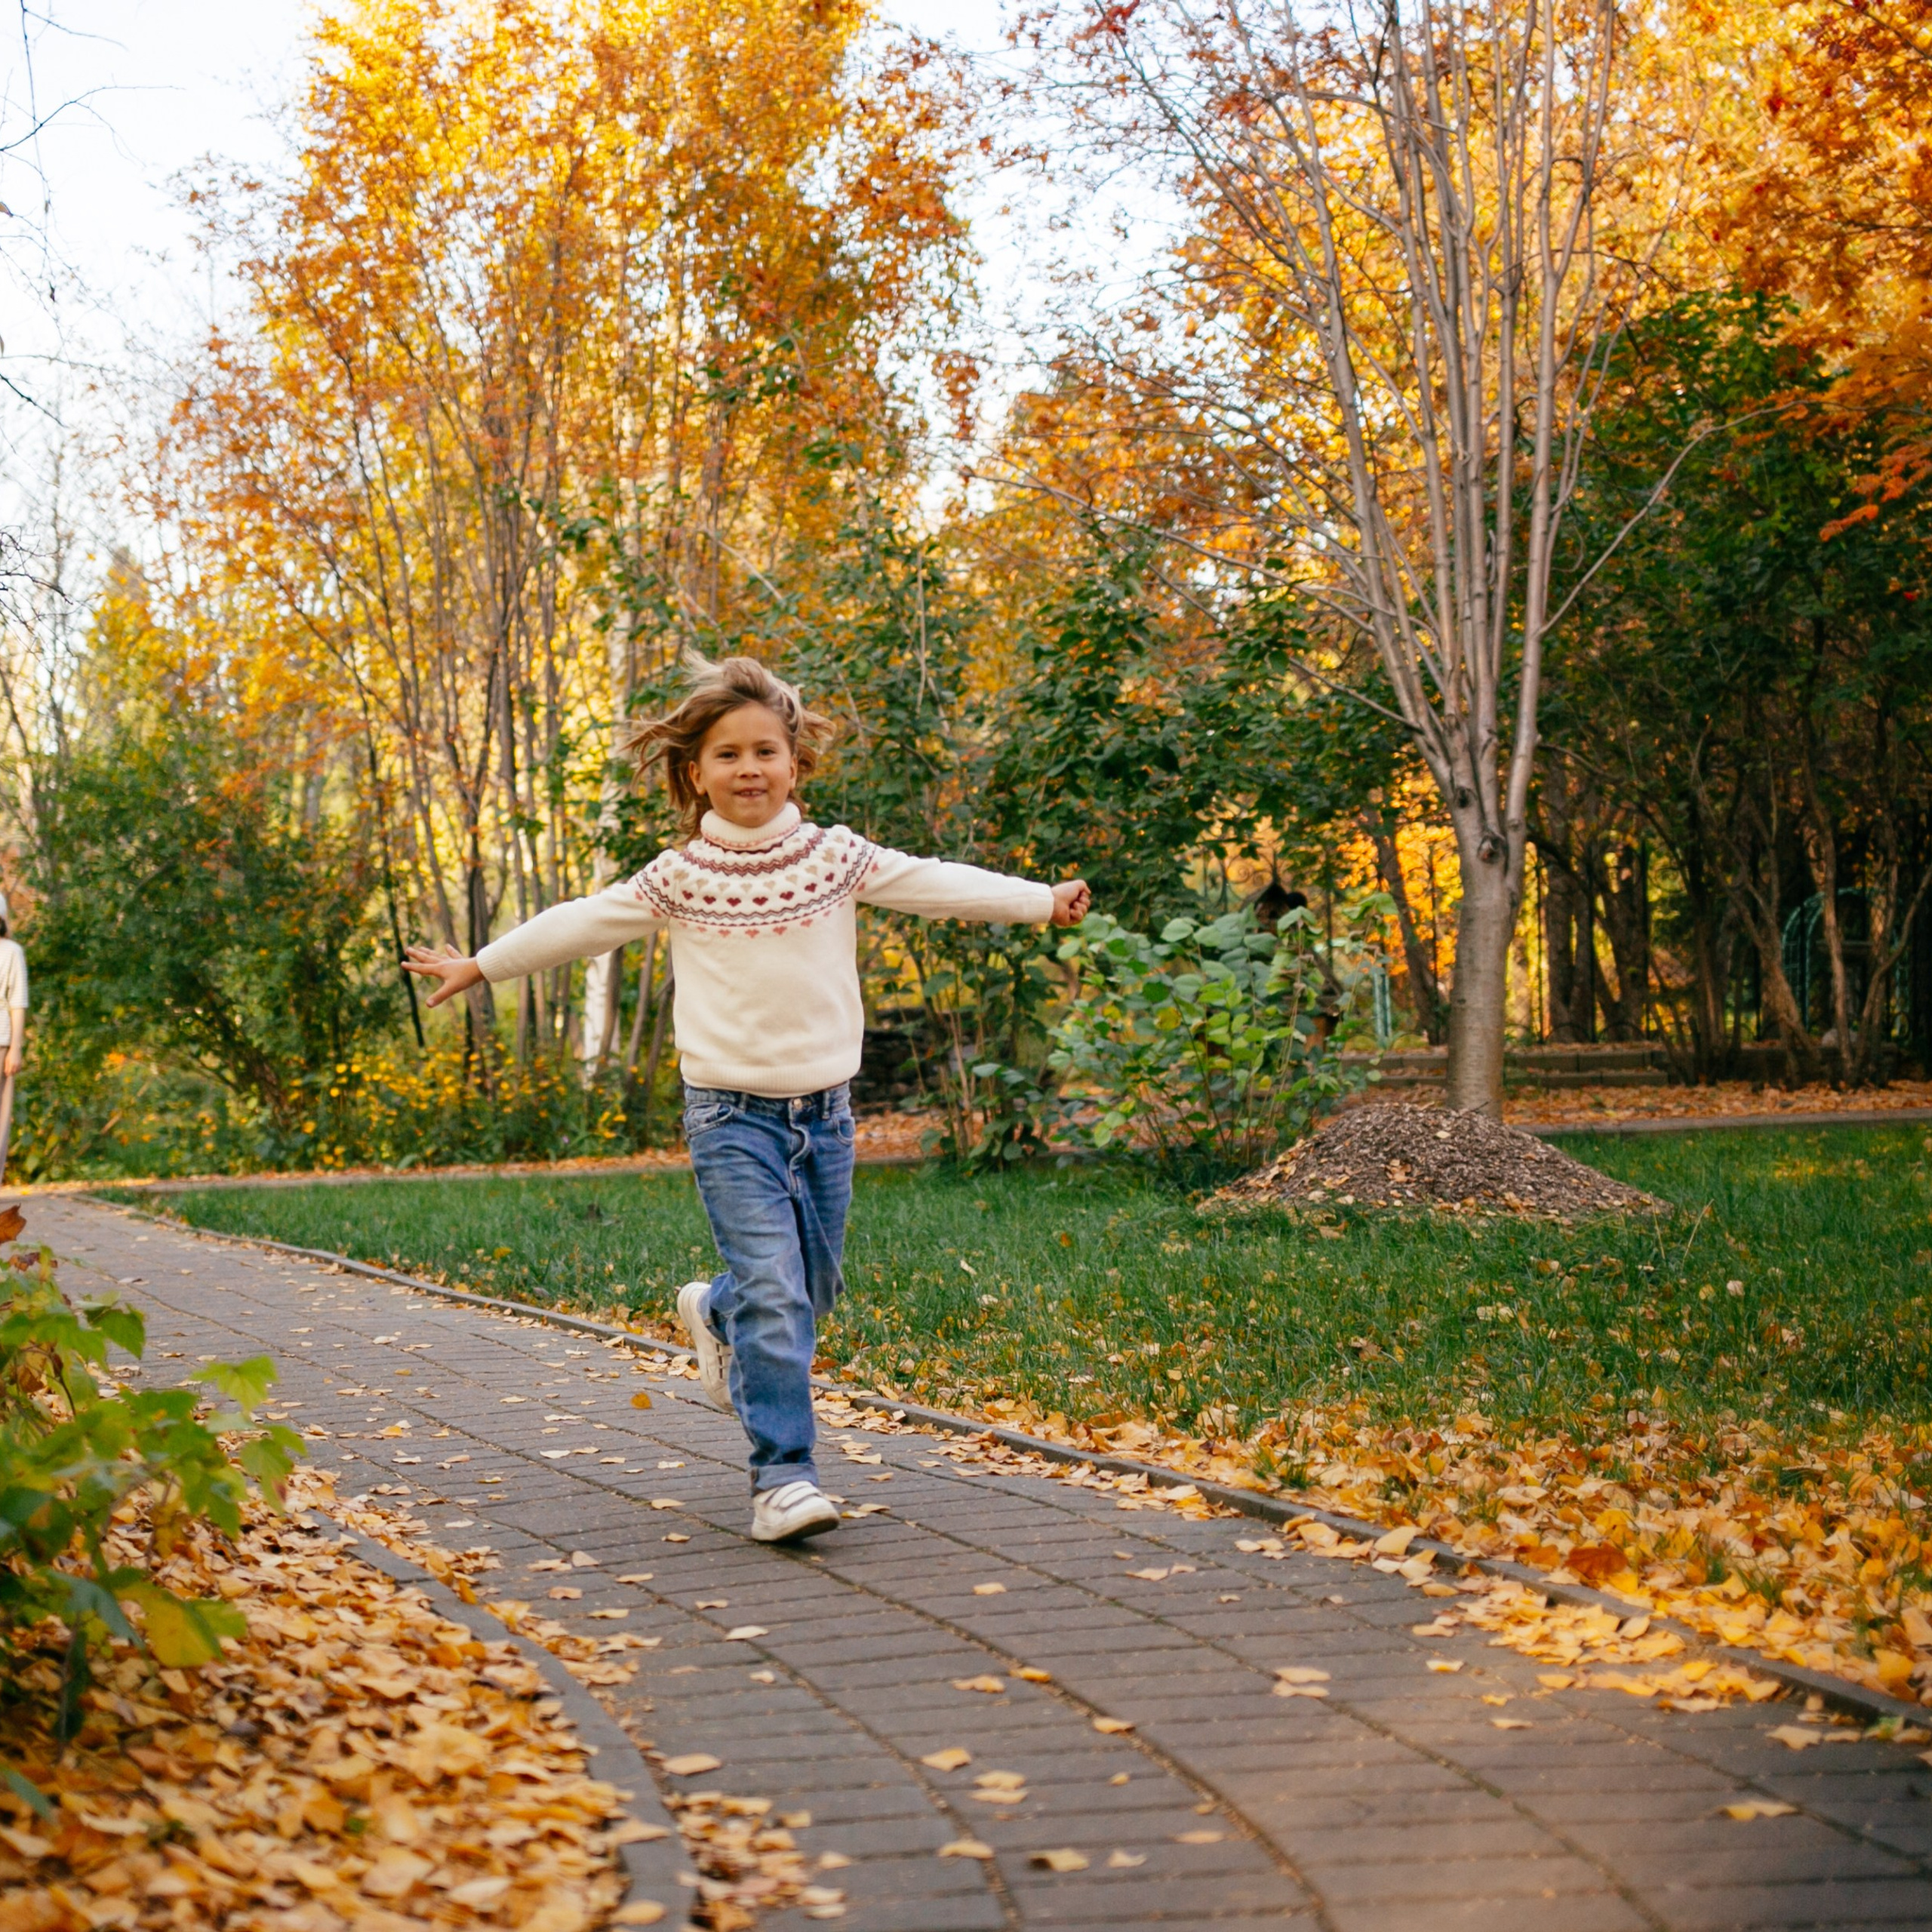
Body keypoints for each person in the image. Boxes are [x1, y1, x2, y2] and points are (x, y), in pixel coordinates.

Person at [404, 657, 1091, 1543]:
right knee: (780, 1294)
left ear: (794, 761)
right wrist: (482, 963)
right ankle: (782, 1478)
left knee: (806, 1291)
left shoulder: (836, 858)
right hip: (729, 1116)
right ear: (696, 774)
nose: (749, 768)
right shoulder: (681, 875)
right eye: (727, 754)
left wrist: (1040, 901)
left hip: (826, 1114)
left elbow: (932, 882)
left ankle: (714, 1309)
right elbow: (580, 920)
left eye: (765, 750)